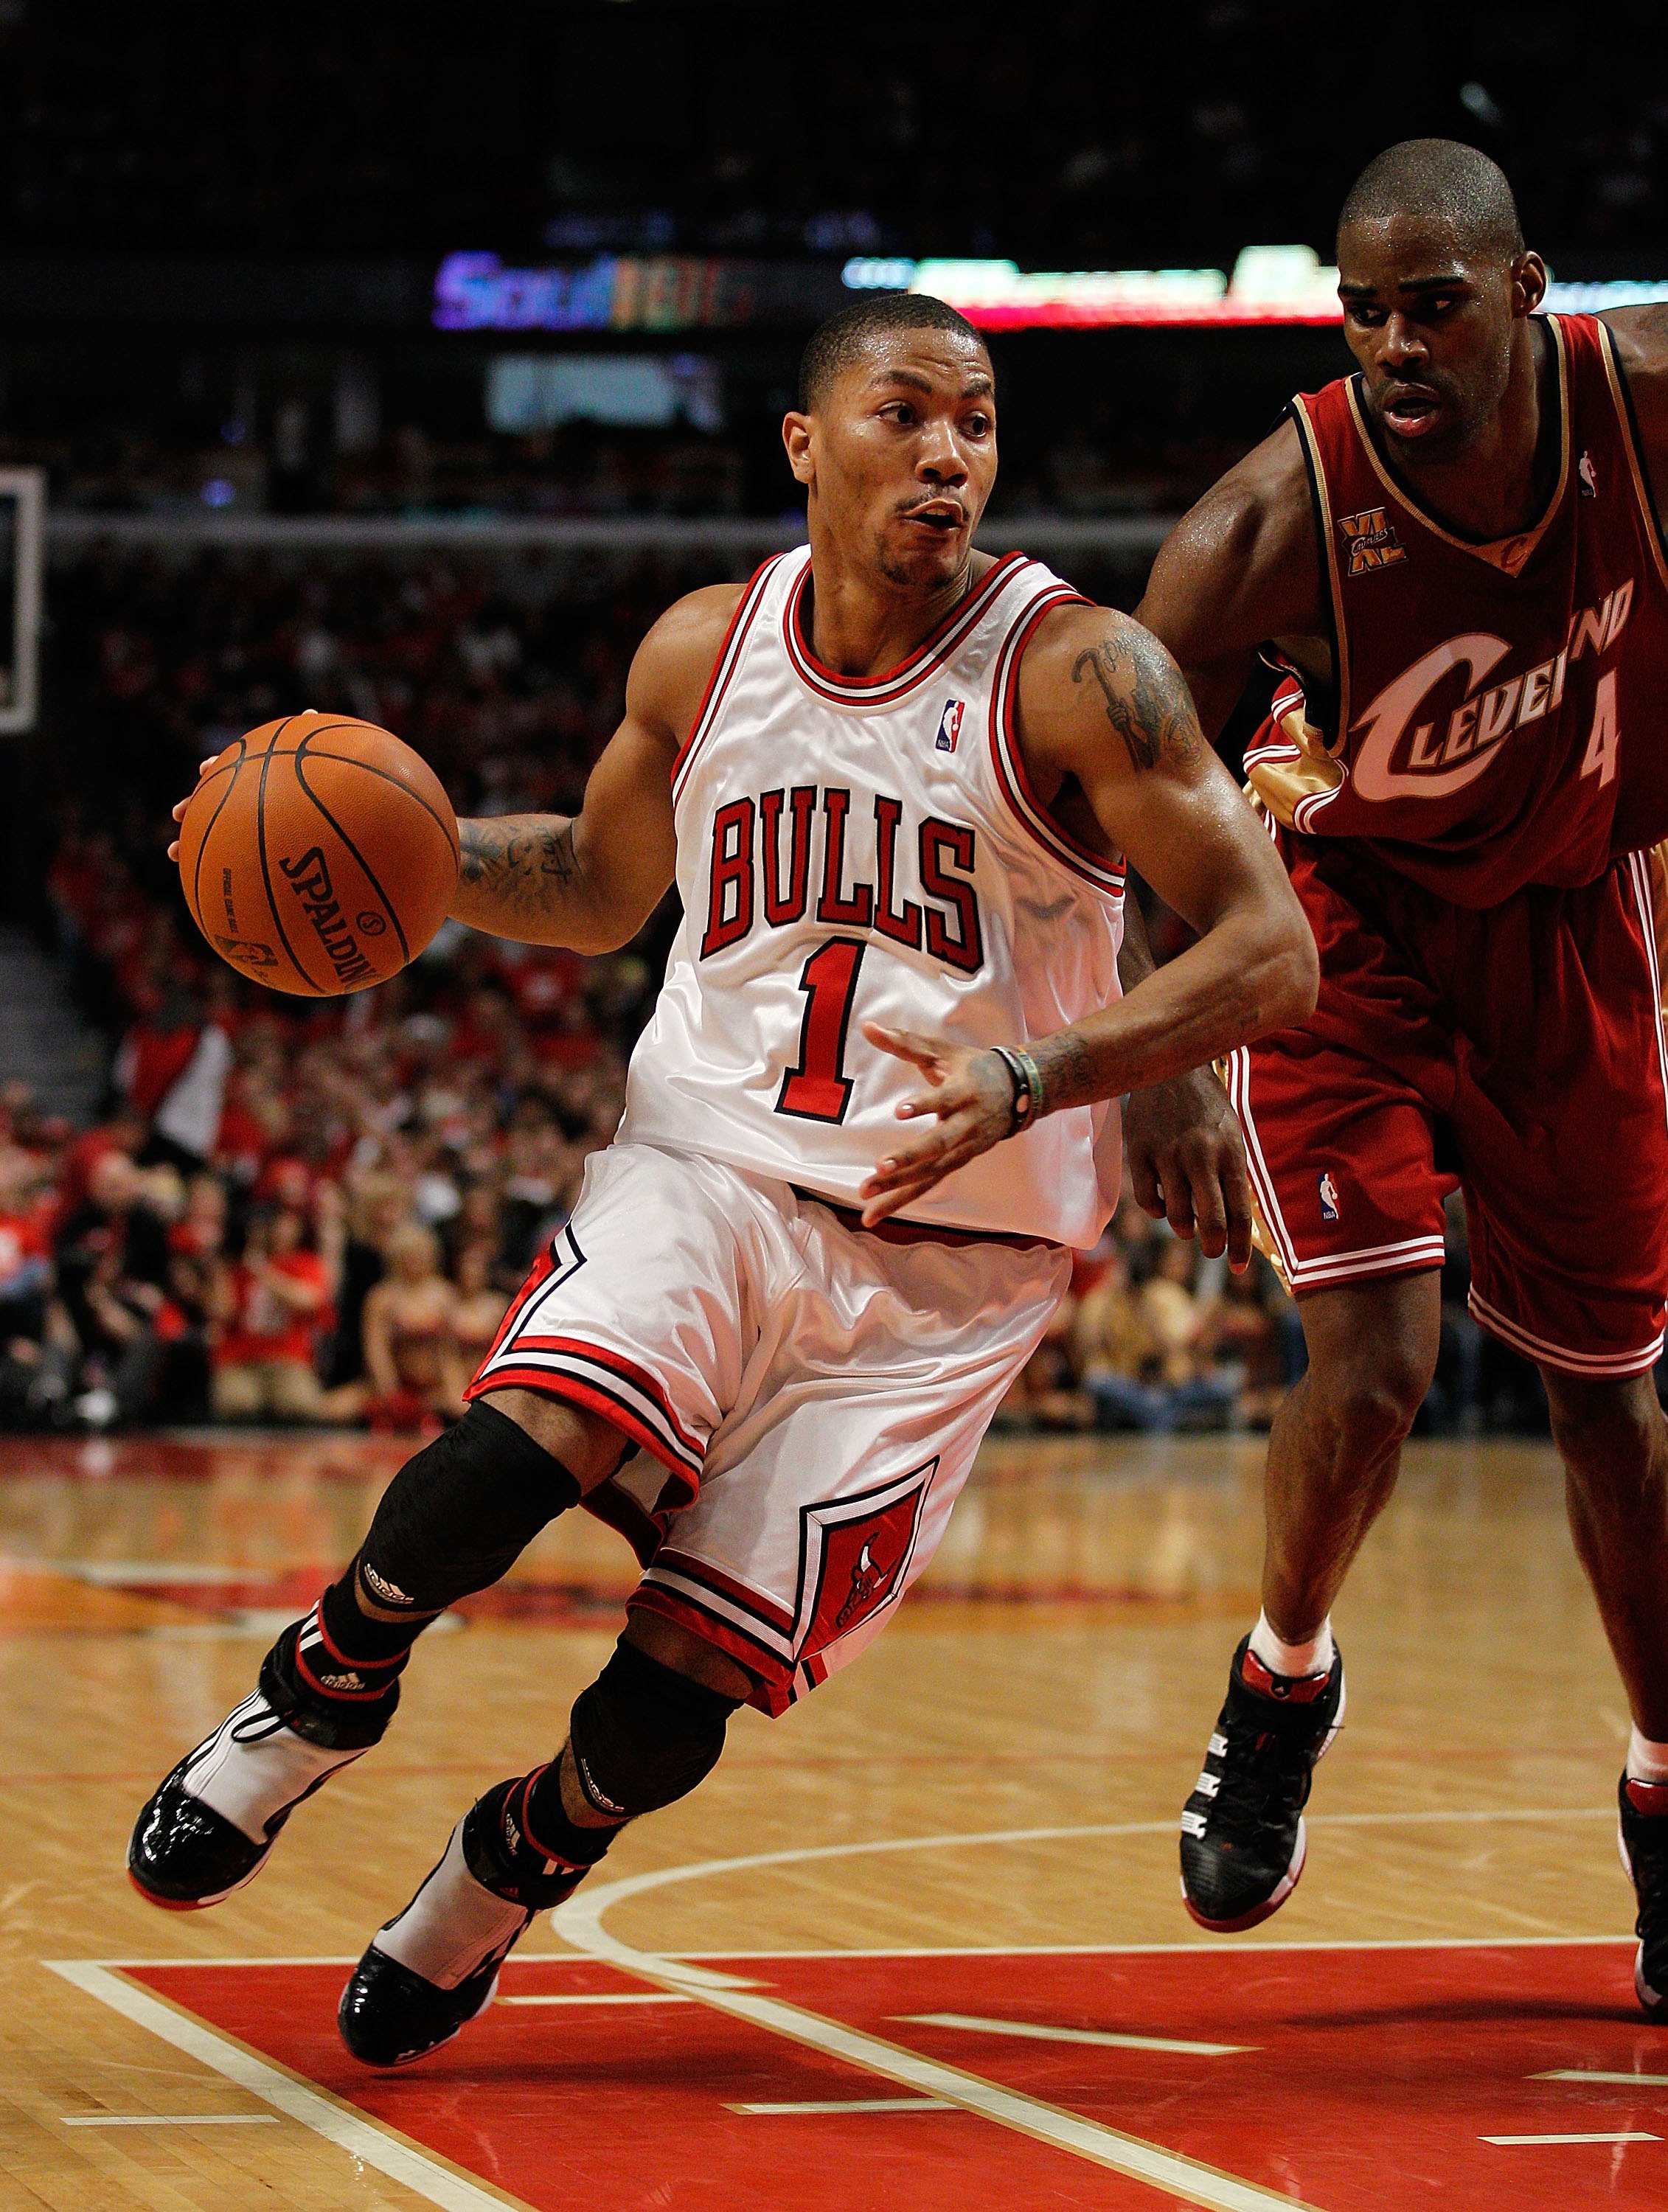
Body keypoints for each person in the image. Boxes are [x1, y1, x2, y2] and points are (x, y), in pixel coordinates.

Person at [128, 291, 1316, 2066]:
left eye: (976, 423)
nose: (948, 455)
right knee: (527, 1435)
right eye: (907, 415)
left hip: (957, 1256)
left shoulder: (1081, 671)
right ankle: (321, 1689)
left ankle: (508, 1867)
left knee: (689, 1676)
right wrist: (413, 865)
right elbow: (604, 889)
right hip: (714, 1160)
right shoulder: (705, 649)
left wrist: (1064, 1070)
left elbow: (1271, 946)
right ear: (805, 445)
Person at [1130, 139, 1668, 2008]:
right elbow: (1135, 774)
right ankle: (1284, 1677)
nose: (1389, 342)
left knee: (1611, 1405)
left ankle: (1667, 1793)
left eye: (1429, 302)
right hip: (1337, 928)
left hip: (1573, 923)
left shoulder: (1645, 403)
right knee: (1373, 1372)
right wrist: (1165, 1059)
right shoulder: (1265, 526)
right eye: (1358, 309)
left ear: (1534, 294)